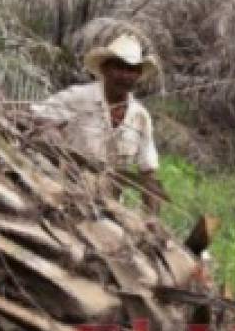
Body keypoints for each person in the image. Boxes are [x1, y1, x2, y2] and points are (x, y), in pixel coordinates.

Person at [31, 33, 167, 212]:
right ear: (104, 69)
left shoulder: (140, 117)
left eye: (131, 69)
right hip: (62, 195)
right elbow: (37, 118)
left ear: (138, 75)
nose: (125, 75)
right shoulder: (78, 98)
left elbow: (148, 173)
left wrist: (152, 219)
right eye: (119, 67)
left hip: (107, 208)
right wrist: (54, 139)